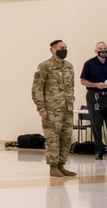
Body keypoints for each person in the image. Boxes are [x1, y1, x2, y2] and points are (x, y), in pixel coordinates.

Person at [32, 40, 76, 178]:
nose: (64, 50)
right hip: (52, 109)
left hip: (67, 109)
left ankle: (62, 165)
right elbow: (37, 88)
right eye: (61, 48)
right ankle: (53, 166)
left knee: (66, 138)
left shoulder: (69, 67)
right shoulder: (45, 66)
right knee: (52, 138)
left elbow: (71, 87)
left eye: (66, 48)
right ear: (53, 50)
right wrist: (41, 107)